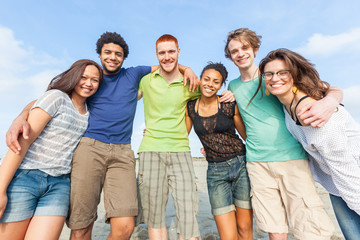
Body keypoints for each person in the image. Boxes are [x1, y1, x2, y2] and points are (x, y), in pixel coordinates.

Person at [5, 32, 199, 240]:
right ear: (99, 54)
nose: (112, 57)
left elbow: (164, 64)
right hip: (89, 149)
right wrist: (22, 115)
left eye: (118, 54)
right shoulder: (91, 80)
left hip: (123, 153)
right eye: (107, 52)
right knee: (81, 227)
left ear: (124, 57)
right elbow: (50, 98)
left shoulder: (133, 74)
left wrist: (187, 68)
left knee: (126, 227)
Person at [224, 28, 343, 240]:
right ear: (230, 56)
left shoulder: (274, 77)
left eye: (244, 48)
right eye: (234, 51)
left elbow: (330, 89)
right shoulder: (232, 86)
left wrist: (330, 102)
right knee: (274, 225)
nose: (240, 53)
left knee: (309, 225)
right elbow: (240, 123)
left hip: (292, 158)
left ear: (255, 49)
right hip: (257, 163)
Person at [137, 34, 234, 240]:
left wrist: (230, 95)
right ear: (156, 55)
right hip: (150, 150)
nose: (167, 56)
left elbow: (211, 94)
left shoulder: (191, 83)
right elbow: (121, 99)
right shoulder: (145, 81)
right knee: (155, 218)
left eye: (171, 51)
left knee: (188, 216)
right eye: (162, 53)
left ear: (179, 52)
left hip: (181, 151)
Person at [259, 48, 360, 240]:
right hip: (336, 184)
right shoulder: (288, 101)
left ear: (294, 75)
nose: (275, 78)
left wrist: (330, 102)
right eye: (269, 74)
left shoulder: (314, 117)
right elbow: (332, 88)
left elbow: (350, 176)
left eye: (282, 73)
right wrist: (332, 98)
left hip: (352, 178)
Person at [0, 59, 102, 240]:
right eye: (84, 77)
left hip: (59, 185)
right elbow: (22, 143)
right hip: (26, 178)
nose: (88, 83)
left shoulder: (91, 111)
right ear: (74, 76)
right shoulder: (56, 97)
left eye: (94, 80)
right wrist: (0, 189)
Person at [185, 62, 252, 240]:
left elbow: (246, 136)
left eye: (216, 82)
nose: (210, 84)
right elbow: (180, 134)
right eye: (206, 79)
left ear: (221, 85)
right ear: (199, 80)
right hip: (215, 172)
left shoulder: (228, 103)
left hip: (241, 165)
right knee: (228, 236)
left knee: (245, 230)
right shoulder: (191, 107)